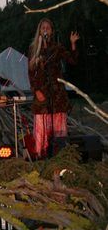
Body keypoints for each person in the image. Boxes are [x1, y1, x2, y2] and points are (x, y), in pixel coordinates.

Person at [28, 18, 80, 159]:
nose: (45, 29)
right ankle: (41, 157)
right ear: (39, 30)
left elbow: (72, 60)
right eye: (43, 27)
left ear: (51, 31)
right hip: (41, 94)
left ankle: (59, 159)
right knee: (41, 128)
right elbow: (31, 73)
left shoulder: (57, 47)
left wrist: (73, 44)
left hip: (57, 94)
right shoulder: (34, 49)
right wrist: (36, 91)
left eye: (48, 27)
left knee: (58, 129)